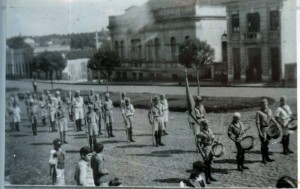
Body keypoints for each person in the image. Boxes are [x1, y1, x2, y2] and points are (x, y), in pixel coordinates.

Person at [197, 119, 217, 184]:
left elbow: (212, 138)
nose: (208, 126)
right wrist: (202, 152)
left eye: (208, 125)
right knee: (206, 164)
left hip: (211, 148)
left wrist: (215, 141)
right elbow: (198, 144)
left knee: (210, 163)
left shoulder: (210, 130)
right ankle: (207, 178)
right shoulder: (201, 133)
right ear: (203, 125)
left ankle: (210, 176)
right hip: (205, 149)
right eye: (206, 125)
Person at [256, 99, 275, 164]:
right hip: (263, 129)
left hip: (268, 128)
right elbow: (257, 123)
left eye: (266, 103)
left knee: (267, 143)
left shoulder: (269, 110)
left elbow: (272, 118)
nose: (265, 105)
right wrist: (260, 132)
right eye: (263, 104)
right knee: (263, 143)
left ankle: (267, 157)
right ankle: (263, 158)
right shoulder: (258, 112)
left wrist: (276, 124)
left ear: (267, 104)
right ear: (261, 105)